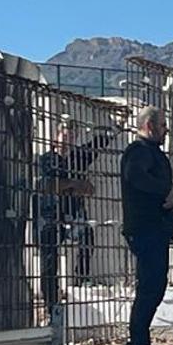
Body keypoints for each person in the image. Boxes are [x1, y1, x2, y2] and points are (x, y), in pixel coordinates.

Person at [37, 119, 116, 308]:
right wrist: (74, 184)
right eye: (65, 132)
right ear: (56, 136)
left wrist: (114, 129)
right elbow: (47, 186)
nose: (69, 136)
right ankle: (50, 299)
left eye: (73, 133)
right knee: (49, 256)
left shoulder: (78, 157)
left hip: (74, 211)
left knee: (87, 236)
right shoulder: (47, 159)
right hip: (51, 214)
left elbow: (96, 147)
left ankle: (82, 279)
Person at [120, 106, 173, 345]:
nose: (166, 131)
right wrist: (164, 192)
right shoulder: (139, 152)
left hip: (156, 227)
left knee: (155, 283)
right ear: (150, 126)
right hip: (146, 228)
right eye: (163, 125)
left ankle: (141, 339)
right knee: (150, 284)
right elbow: (136, 177)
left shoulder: (150, 152)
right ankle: (138, 340)